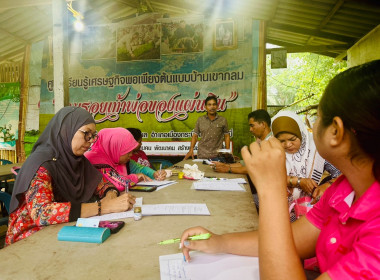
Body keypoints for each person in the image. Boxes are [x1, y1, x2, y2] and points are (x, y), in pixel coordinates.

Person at [180, 60, 380, 279]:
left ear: (335, 131)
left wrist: (271, 189)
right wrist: (220, 241)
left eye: (317, 116)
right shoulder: (344, 191)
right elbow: (287, 239)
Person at [6, 107, 135, 245]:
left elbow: (105, 185)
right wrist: (103, 207)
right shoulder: (41, 164)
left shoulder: (79, 161)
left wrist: (110, 197)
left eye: (93, 135)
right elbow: (42, 213)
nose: (91, 140)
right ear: (66, 130)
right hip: (29, 240)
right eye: (87, 134)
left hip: (62, 232)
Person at [271, 111, 340, 219]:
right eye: (281, 141)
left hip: (308, 208)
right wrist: (299, 181)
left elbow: (341, 173)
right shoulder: (272, 151)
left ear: (301, 133)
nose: (288, 144)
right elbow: (269, 177)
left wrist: (328, 185)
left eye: (292, 139)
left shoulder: (317, 150)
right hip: (279, 209)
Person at [85, 128, 166, 192]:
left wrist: (155, 173)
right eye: (128, 152)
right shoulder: (94, 159)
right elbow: (116, 184)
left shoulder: (117, 158)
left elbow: (139, 168)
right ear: (115, 148)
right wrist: (136, 177)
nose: (131, 155)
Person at [212, 109, 272, 174]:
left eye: (252, 126)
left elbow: (254, 168)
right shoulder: (262, 141)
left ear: (263, 124)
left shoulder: (270, 143)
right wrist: (224, 165)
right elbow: (247, 164)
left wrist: (228, 169)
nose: (250, 130)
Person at [184, 96, 230, 160]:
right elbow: (195, 135)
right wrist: (191, 149)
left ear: (217, 106)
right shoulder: (200, 120)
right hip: (202, 155)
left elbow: (227, 135)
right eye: (209, 105)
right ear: (205, 107)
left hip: (218, 156)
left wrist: (227, 151)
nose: (212, 107)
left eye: (214, 104)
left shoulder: (223, 120)